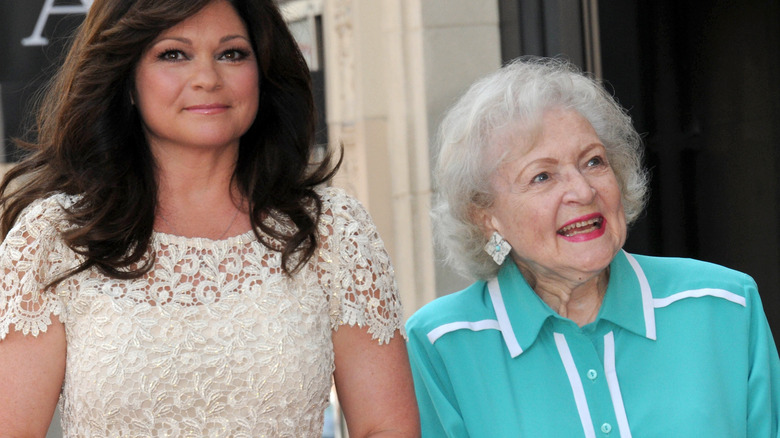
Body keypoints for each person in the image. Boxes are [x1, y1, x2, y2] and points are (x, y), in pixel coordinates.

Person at [0, 0, 420, 436]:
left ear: (262, 71)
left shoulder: (333, 231)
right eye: (174, 54)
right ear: (127, 78)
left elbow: (385, 427)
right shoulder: (56, 237)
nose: (207, 79)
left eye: (232, 53)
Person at [406, 57, 780, 437]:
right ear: (485, 215)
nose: (583, 191)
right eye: (542, 176)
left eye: (593, 162)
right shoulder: (443, 345)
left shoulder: (723, 305)